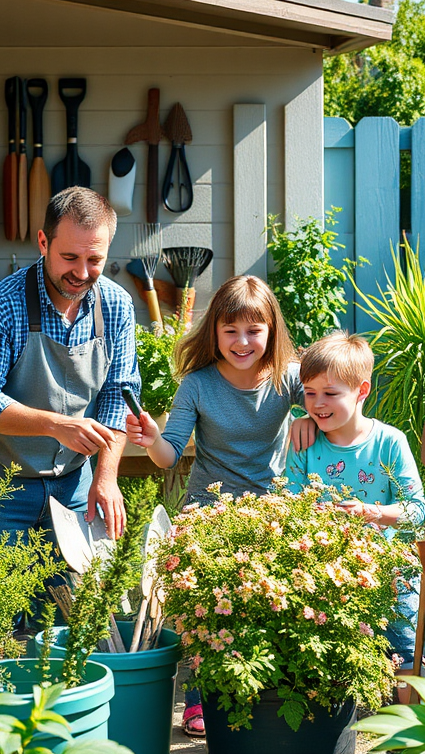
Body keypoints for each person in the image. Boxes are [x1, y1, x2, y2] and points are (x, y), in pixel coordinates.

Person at [125, 274, 312, 735]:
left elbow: (332, 404)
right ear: (215, 332)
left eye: (254, 330)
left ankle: (263, 693)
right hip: (208, 513)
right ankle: (198, 699)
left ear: (271, 329)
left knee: (267, 608)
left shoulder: (290, 377)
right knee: (206, 611)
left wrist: (310, 416)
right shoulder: (198, 384)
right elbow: (170, 453)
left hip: (270, 512)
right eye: (231, 331)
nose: (242, 341)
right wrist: (151, 440)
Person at [0, 187, 140, 541]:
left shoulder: (117, 305)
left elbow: (121, 394)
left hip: (76, 484)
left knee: (77, 596)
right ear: (43, 242)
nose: (83, 273)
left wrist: (105, 475)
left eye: (95, 260)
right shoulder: (0, 306)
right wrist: (57, 425)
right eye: (69, 257)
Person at [284, 330, 425, 701]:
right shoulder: (305, 443)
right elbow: (288, 506)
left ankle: (408, 731)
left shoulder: (389, 442)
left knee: (406, 651)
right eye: (309, 393)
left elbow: (417, 510)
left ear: (361, 391)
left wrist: (370, 512)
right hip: (324, 574)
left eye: (331, 394)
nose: (318, 403)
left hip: (392, 574)